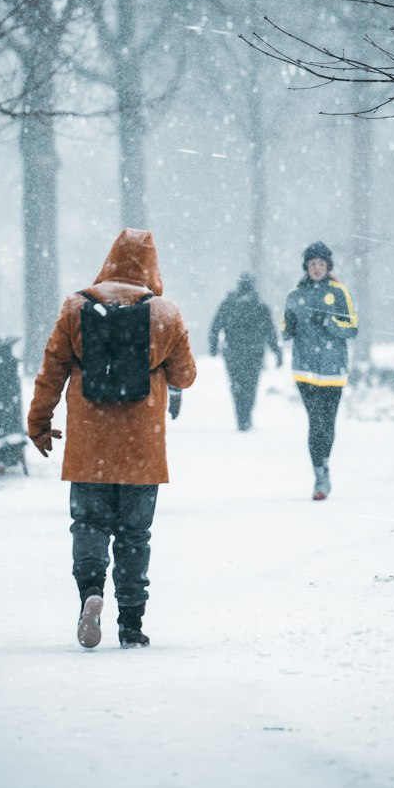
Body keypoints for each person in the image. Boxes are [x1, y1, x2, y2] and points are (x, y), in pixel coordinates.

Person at [27, 228, 197, 649]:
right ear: (152, 267)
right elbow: (185, 376)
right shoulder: (165, 314)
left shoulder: (76, 307)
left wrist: (40, 423)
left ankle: (91, 593)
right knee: (134, 535)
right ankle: (132, 623)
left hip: (90, 446)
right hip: (143, 448)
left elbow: (52, 370)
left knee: (88, 524)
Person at [282, 241, 358, 500]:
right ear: (306, 266)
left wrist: (329, 323)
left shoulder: (339, 292)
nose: (316, 269)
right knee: (315, 422)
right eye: (312, 264)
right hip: (305, 370)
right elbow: (284, 330)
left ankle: (324, 461)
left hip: (333, 369)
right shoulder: (295, 295)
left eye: (321, 264)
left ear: (328, 267)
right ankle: (319, 473)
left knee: (328, 423)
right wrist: (289, 328)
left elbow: (353, 328)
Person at [208, 273, 282, 430]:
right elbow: (271, 332)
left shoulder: (229, 304)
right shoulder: (260, 306)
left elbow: (215, 327)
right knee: (250, 385)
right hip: (253, 352)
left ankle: (242, 416)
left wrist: (214, 347)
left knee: (237, 385)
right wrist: (277, 352)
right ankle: (245, 416)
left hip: (234, 352)